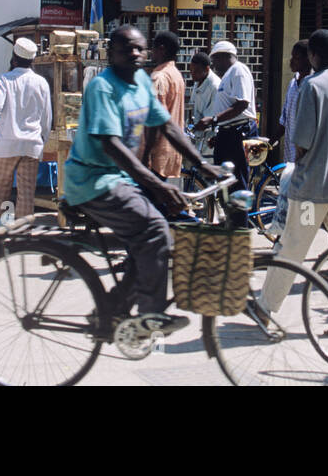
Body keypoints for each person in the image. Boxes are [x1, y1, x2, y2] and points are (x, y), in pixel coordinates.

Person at [64, 26, 221, 335]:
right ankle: (151, 315)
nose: (135, 53)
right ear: (111, 53)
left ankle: (111, 310)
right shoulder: (102, 87)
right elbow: (111, 144)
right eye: (127, 48)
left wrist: (202, 165)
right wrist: (156, 185)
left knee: (151, 241)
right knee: (155, 229)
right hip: (94, 180)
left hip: (121, 179)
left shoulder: (140, 83)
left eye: (140, 48)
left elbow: (168, 127)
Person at [254, 29, 328, 339]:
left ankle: (265, 308)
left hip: (312, 191)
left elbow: (301, 142)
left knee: (292, 245)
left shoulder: (312, 86)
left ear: (312, 55)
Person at [0, 38, 53, 226]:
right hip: (32, 145)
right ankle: (21, 234)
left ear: (14, 58)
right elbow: (47, 117)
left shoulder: (5, 79)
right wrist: (42, 140)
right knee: (26, 194)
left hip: (7, 144)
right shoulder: (41, 82)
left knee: (1, 190)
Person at [194, 40, 258, 190]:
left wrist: (213, 120)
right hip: (228, 132)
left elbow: (242, 104)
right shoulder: (227, 76)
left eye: (215, 59)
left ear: (223, 56)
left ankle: (241, 212)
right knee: (224, 182)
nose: (214, 64)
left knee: (237, 183)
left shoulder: (238, 71)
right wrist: (220, 133)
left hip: (239, 132)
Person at [270, 40, 310, 238]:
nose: (291, 61)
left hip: (306, 160)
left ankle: (296, 240)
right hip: (291, 157)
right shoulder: (293, 82)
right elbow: (285, 118)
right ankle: (286, 239)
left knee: (305, 209)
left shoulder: (313, 85)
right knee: (290, 202)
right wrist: (272, 141)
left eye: (296, 57)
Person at [146, 31, 186, 183]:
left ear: (161, 49)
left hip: (156, 153)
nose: (151, 52)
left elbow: (155, 121)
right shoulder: (176, 75)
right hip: (171, 150)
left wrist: (145, 154)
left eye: (153, 48)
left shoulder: (159, 77)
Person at [188, 52, 220, 127]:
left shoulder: (215, 86)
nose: (192, 73)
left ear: (207, 69)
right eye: (191, 70)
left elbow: (209, 118)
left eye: (196, 71)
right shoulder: (198, 80)